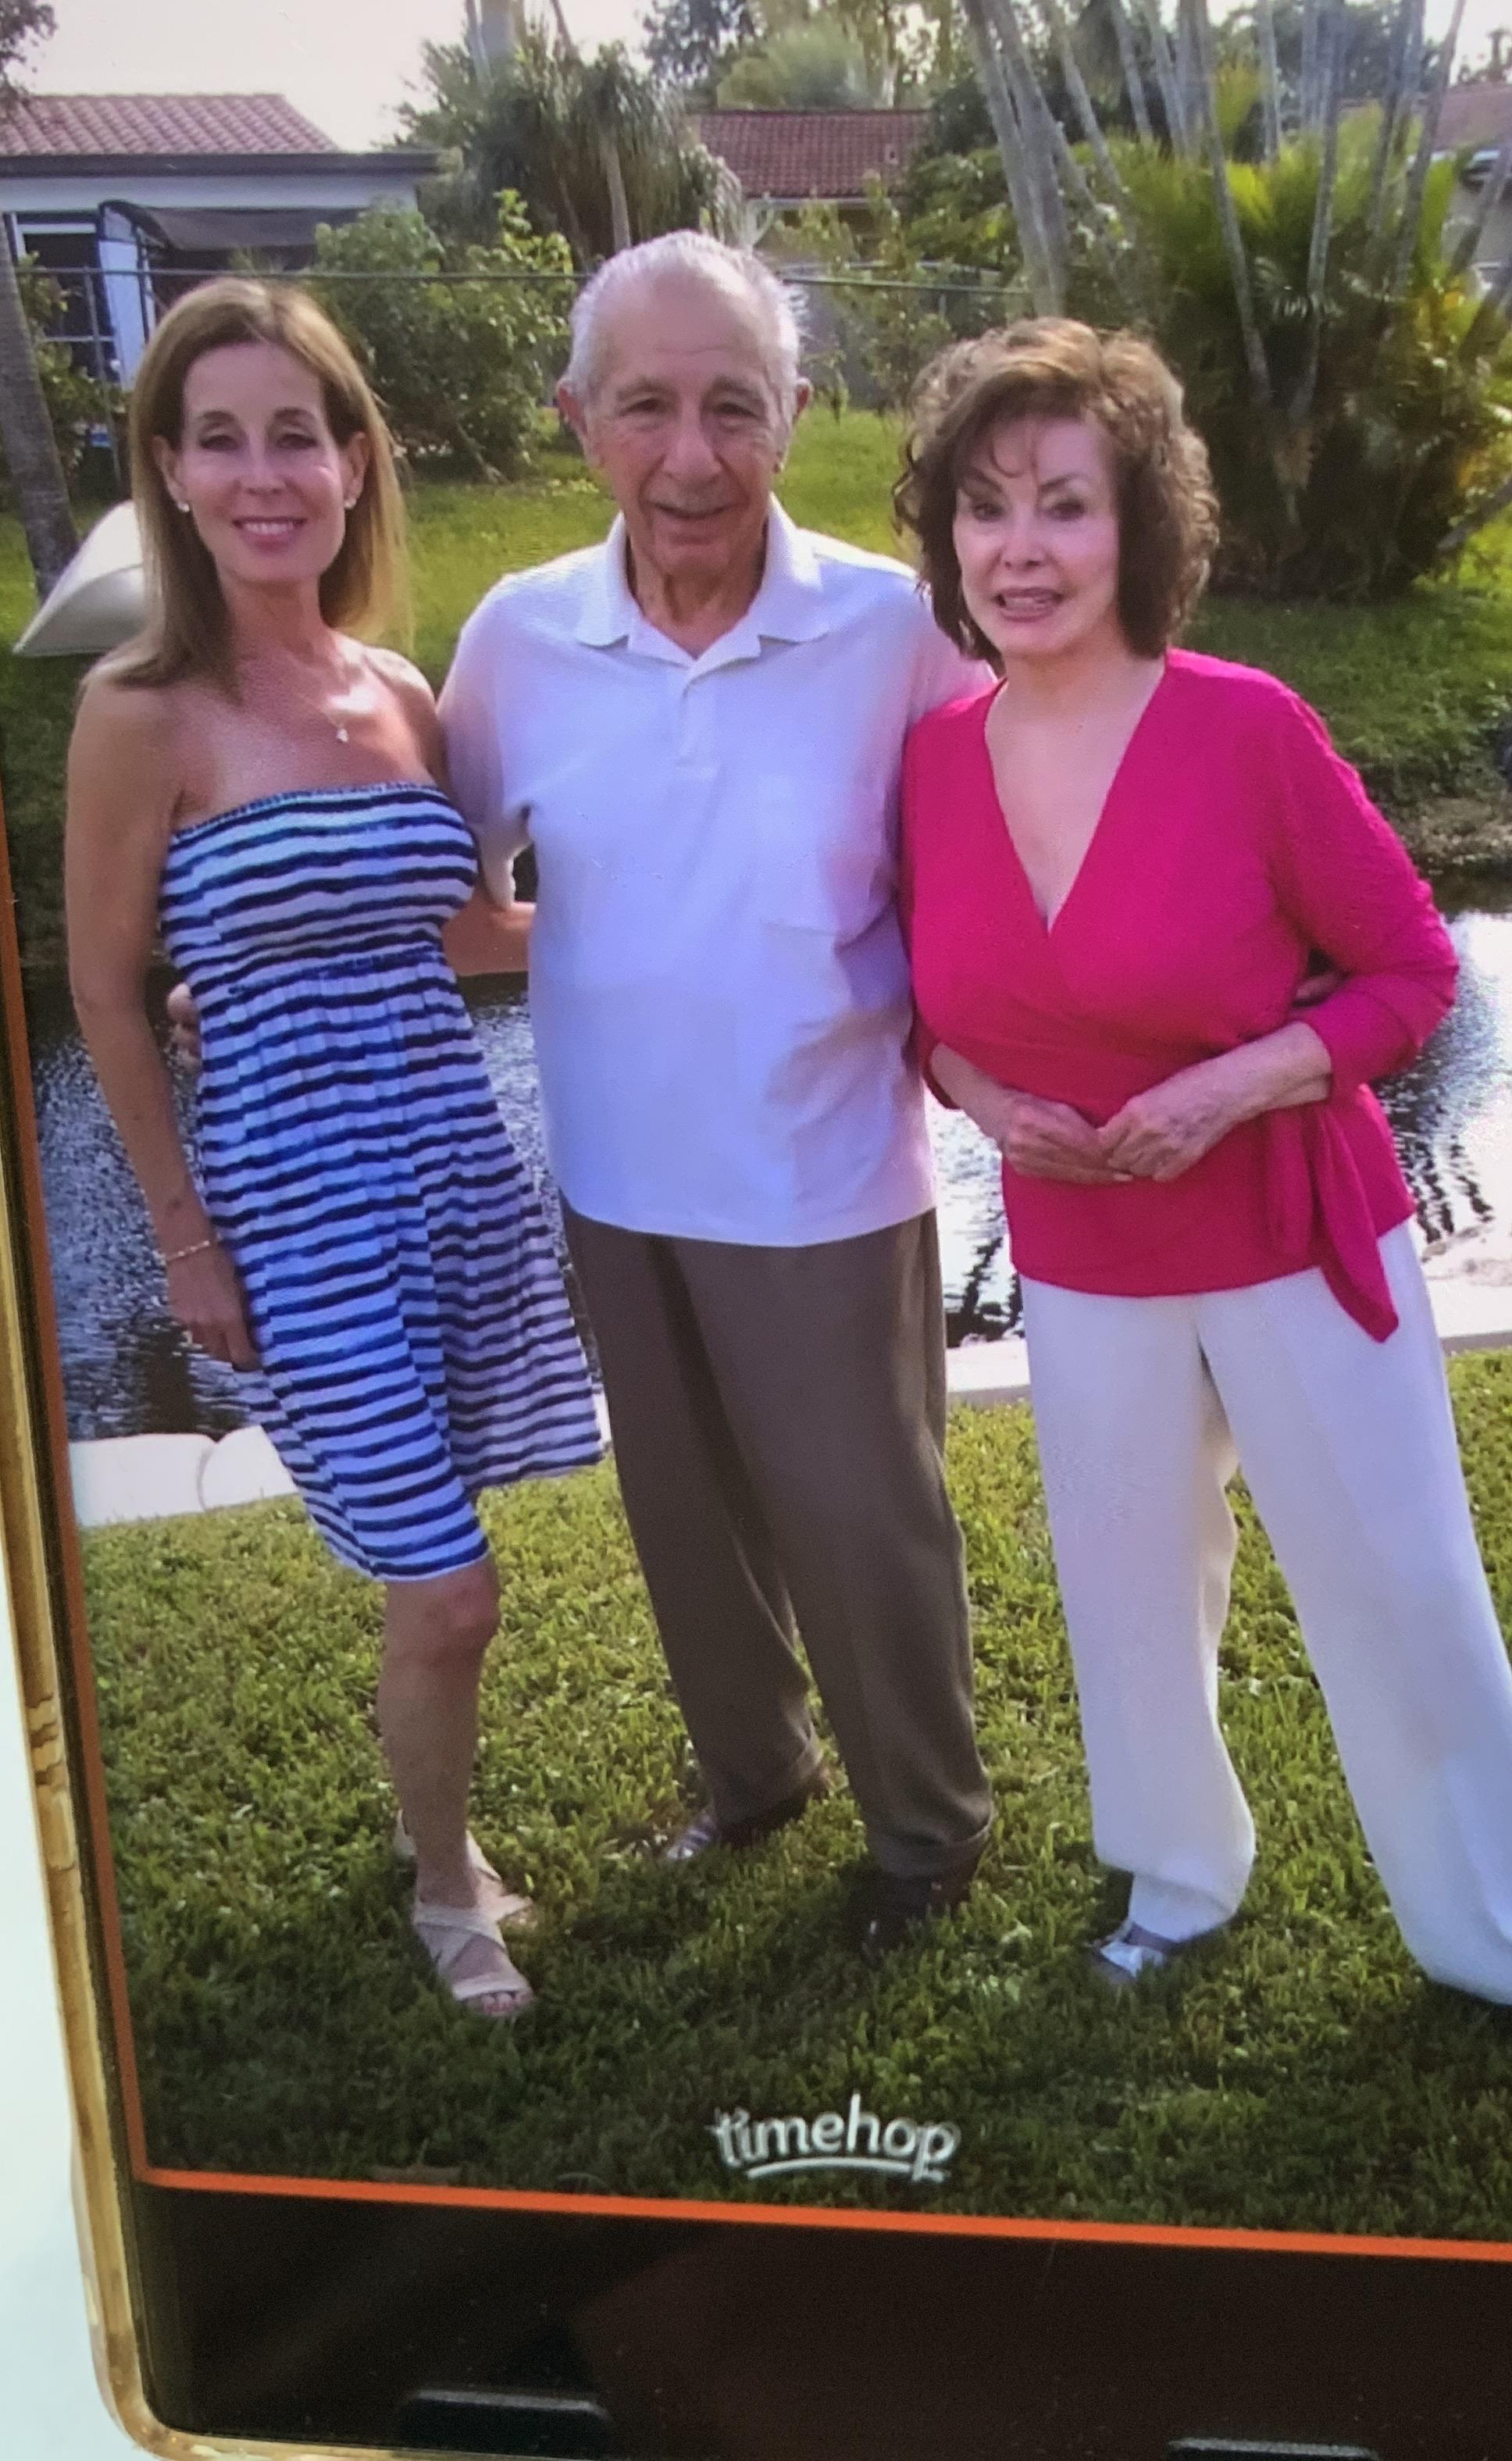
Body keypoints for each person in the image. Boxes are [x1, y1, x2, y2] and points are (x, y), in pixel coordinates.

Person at [895, 318, 1512, 2059]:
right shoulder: (935, 759)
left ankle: (1511, 1947)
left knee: (1397, 1584)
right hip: (1081, 1248)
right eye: (986, 508)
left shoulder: (1244, 729)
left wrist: (1234, 1082)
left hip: (1288, 1226)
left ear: (1138, 526)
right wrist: (981, 1095)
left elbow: (1413, 971)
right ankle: (1178, 1879)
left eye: (1064, 504)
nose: (1020, 548)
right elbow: (927, 1011)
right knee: (1127, 1584)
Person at [440, 231, 993, 1960]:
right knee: (683, 1521)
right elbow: (452, 892)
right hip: (615, 1170)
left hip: (827, 1173)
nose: (692, 456)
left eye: (734, 407)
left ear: (796, 414)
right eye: (647, 407)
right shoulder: (520, 637)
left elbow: (992, 873)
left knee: (862, 1516)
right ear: (578, 420)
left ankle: (927, 1831)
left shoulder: (897, 631)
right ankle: (756, 1776)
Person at [65, 277, 603, 2024]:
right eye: (220, 440)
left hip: (451, 1177)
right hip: (293, 1218)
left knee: (448, 1569)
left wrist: (676, 901)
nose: (263, 473)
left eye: (295, 434)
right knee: (449, 1589)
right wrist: (182, 1238)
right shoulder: (143, 711)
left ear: (355, 463)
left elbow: (461, 929)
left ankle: (436, 1846)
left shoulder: (399, 693)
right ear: (171, 471)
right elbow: (108, 991)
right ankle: (448, 1890)